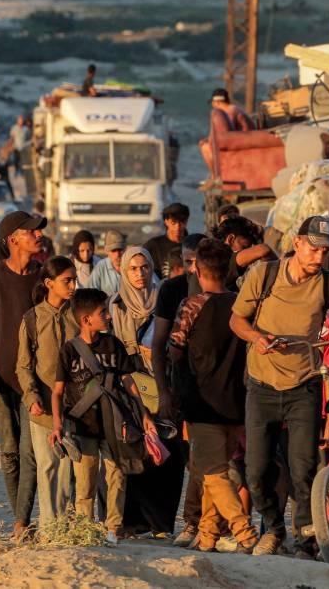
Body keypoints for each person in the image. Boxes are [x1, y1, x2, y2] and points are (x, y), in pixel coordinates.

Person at [229, 215, 329, 557]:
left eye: (325, 251)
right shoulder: (263, 275)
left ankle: (305, 541)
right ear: (297, 243)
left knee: (303, 471)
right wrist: (257, 338)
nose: (319, 257)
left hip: (304, 387)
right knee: (256, 472)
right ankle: (273, 528)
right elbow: (236, 320)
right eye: (314, 249)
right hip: (262, 387)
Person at [168, 238, 258, 553]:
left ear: (200, 270)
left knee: (213, 473)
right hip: (235, 404)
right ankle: (207, 536)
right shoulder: (241, 304)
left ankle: (244, 532)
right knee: (211, 472)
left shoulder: (192, 305)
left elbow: (174, 351)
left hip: (202, 404)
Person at [50, 288, 157, 547]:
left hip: (114, 425)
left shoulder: (113, 345)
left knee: (117, 477)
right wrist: (57, 425)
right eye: (103, 312)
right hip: (82, 427)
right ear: (86, 319)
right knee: (85, 482)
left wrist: (143, 414)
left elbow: (128, 381)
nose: (108, 316)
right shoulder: (69, 350)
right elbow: (57, 392)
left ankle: (113, 528)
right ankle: (87, 530)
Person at [0, 210, 45, 541]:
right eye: (32, 231)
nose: (39, 235)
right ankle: (21, 517)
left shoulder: (44, 278)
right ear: (13, 239)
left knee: (29, 454)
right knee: (9, 452)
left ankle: (21, 523)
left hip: (34, 382)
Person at [109, 247, 183, 537]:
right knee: (136, 453)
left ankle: (161, 524)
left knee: (168, 454)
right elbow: (111, 351)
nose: (140, 274)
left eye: (145, 267)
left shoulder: (167, 299)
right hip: (131, 387)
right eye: (133, 268)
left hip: (164, 385)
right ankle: (131, 522)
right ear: (124, 271)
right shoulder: (116, 306)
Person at [16, 256, 80, 531]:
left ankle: (67, 526)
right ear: (49, 283)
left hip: (74, 405)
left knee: (69, 468)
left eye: (74, 279)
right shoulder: (32, 319)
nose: (73, 286)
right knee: (46, 466)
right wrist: (31, 399)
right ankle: (48, 528)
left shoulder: (78, 315)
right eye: (67, 281)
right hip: (42, 407)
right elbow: (23, 365)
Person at [151, 232, 206, 548]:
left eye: (197, 262)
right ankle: (190, 523)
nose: (193, 270)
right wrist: (164, 391)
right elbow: (159, 344)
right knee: (188, 460)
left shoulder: (225, 290)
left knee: (212, 461)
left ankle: (205, 524)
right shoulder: (172, 290)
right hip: (181, 386)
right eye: (187, 263)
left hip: (216, 388)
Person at [202, 88, 254, 178]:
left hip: (245, 142)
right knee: (207, 143)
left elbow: (226, 132)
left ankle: (216, 176)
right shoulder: (232, 109)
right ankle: (215, 176)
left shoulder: (229, 111)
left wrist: (210, 140)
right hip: (246, 140)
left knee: (205, 147)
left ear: (217, 102)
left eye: (212, 103)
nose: (212, 105)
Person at [143, 203, 190, 279]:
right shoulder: (153, 245)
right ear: (166, 221)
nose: (177, 226)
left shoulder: (192, 245)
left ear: (186, 221)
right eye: (173, 222)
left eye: (182, 222)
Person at [88, 229, 127, 296]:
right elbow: (90, 291)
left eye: (120, 250)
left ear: (125, 249)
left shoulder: (131, 265)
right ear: (107, 252)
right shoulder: (101, 266)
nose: (117, 254)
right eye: (113, 250)